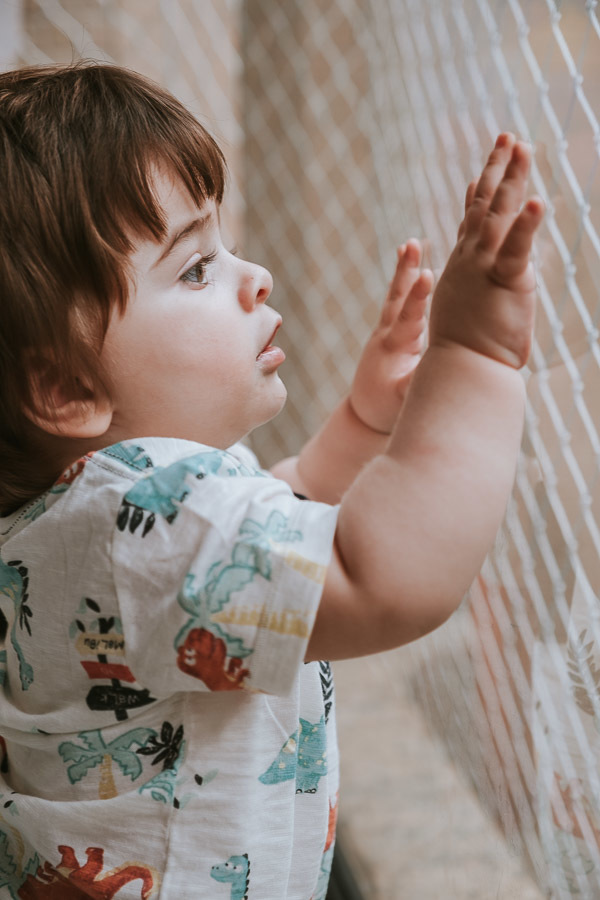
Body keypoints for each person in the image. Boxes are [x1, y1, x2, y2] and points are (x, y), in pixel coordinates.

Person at [0, 62, 543, 900]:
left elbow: (272, 532)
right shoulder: (139, 516)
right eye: (195, 270)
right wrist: (473, 357)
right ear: (67, 390)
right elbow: (379, 578)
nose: (254, 277)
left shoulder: (85, 519)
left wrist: (362, 425)